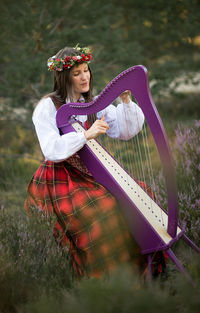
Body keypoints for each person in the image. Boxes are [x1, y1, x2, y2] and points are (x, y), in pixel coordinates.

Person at [25, 44, 156, 278]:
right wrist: (85, 135)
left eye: (86, 70)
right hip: (61, 176)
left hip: (92, 171)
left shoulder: (94, 103)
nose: (84, 76)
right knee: (103, 210)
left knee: (143, 195)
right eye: (76, 73)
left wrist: (125, 101)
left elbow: (126, 131)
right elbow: (51, 149)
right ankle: (105, 281)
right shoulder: (47, 107)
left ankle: (139, 272)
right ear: (64, 77)